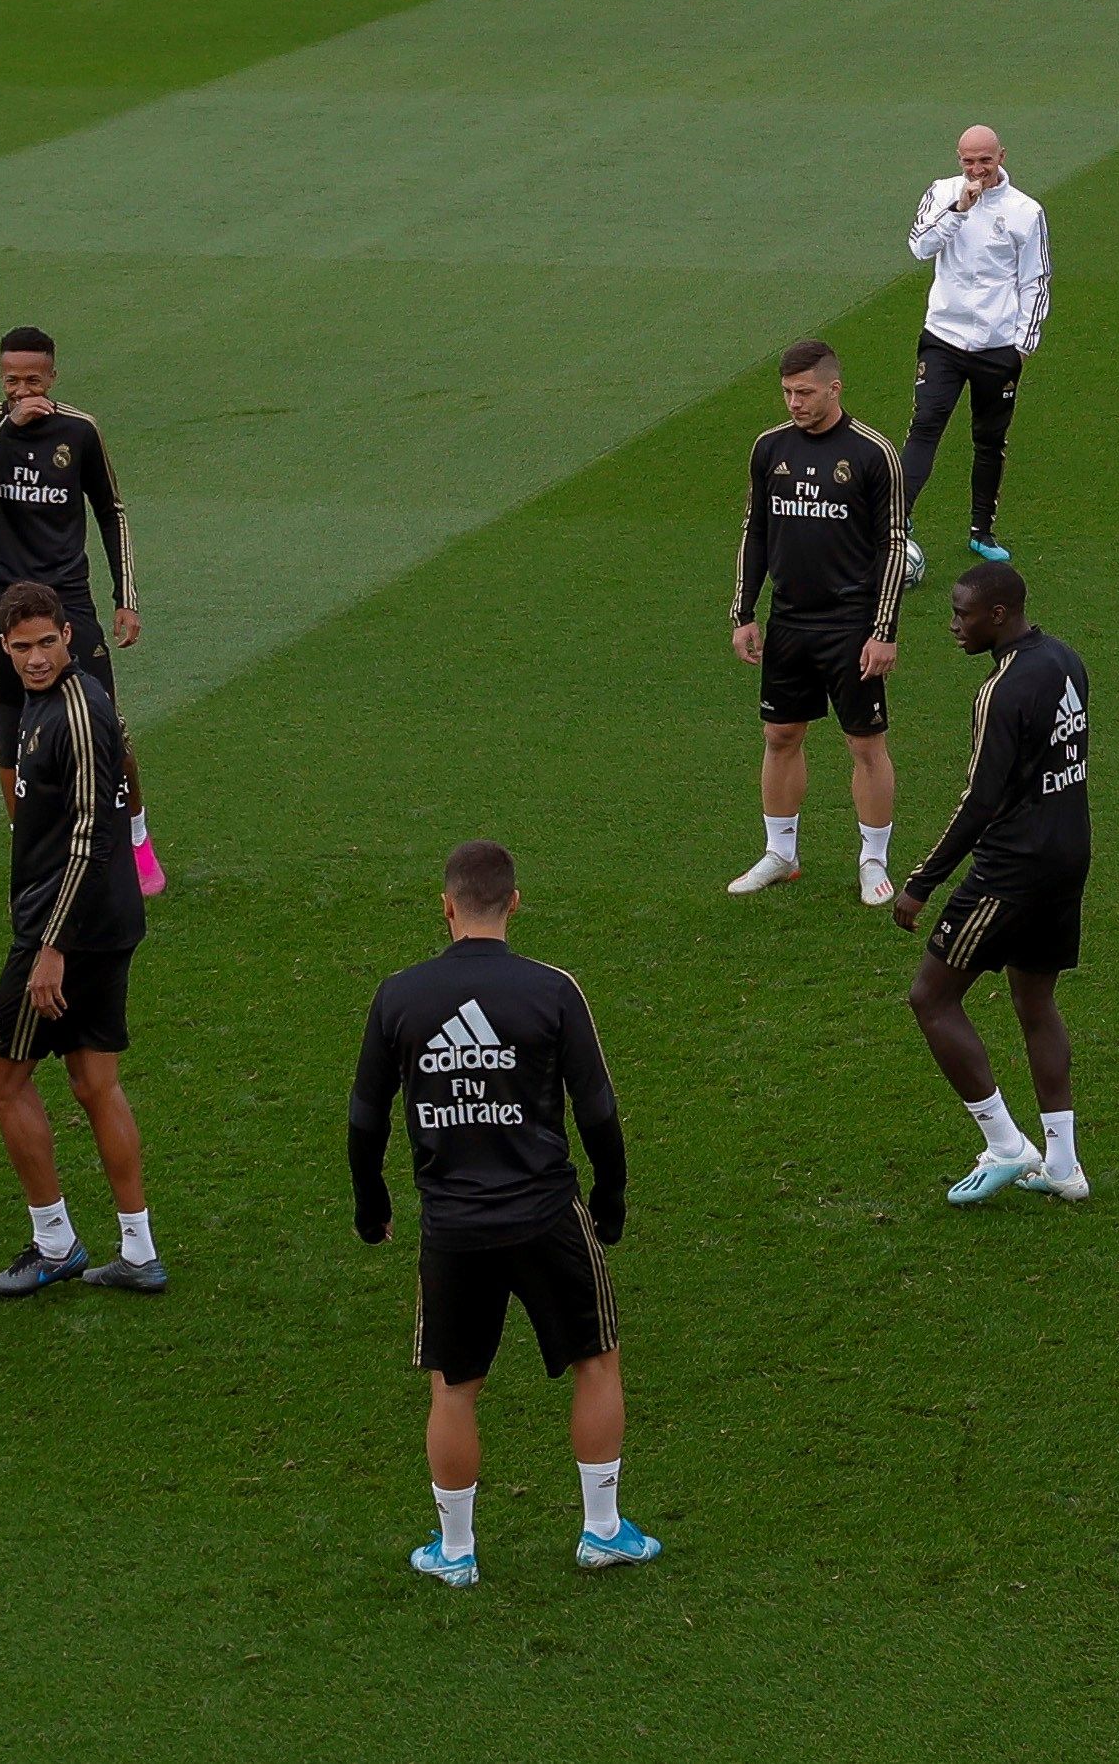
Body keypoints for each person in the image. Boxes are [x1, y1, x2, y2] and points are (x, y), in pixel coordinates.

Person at [347, 838, 655, 1585]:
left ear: (446, 905)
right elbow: (600, 1111)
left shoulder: (399, 995)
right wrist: (610, 1200)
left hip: (452, 1227)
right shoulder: (552, 990)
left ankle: (455, 1552)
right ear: (514, 902)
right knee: (597, 1360)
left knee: (453, 1386)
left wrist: (371, 1201)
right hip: (546, 1212)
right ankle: (602, 1531)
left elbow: (364, 1117)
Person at [0, 589, 164, 1299]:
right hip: (104, 922)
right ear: (6, 647)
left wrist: (49, 945)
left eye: (43, 644)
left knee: (1, 1078)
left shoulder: (76, 715)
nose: (33, 658)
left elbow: (88, 836)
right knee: (93, 1083)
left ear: (65, 635)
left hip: (66, 929)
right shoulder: (65, 699)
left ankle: (54, 1243)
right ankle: (139, 1251)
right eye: (19, 647)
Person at [887, 561, 1092, 1206]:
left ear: (998, 614)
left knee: (932, 996)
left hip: (1014, 867)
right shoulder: (1066, 660)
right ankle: (1063, 1164)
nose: (953, 625)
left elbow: (979, 800)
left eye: (962, 613)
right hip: (1068, 853)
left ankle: (1006, 1144)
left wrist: (922, 881)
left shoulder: (1000, 691)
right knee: (1036, 1003)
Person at [0, 327, 152, 882]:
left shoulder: (79, 431)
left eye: (32, 380)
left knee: (104, 721)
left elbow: (110, 510)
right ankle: (35, 858)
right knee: (8, 733)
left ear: (52, 377)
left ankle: (136, 840)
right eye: (11, 380)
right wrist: (9, 431)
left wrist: (126, 598)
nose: (22, 390)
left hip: (66, 598)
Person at [728, 338, 908, 900]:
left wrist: (883, 631)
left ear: (834, 387)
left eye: (804, 392)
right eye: (786, 392)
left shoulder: (872, 453)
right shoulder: (769, 449)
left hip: (851, 623)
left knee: (865, 743)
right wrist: (744, 612)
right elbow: (755, 530)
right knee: (780, 734)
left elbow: (894, 544)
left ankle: (873, 860)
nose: (794, 403)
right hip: (790, 622)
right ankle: (780, 852)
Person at [898, 124, 1050, 575]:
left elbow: (1035, 279)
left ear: (1001, 156)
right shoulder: (942, 193)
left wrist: (1022, 346)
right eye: (969, 161)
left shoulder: (1026, 211)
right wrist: (959, 210)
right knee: (925, 425)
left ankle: (981, 531)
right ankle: (896, 520)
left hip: (996, 346)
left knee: (989, 440)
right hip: (943, 337)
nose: (977, 170)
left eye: (985, 160)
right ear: (958, 158)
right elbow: (919, 246)